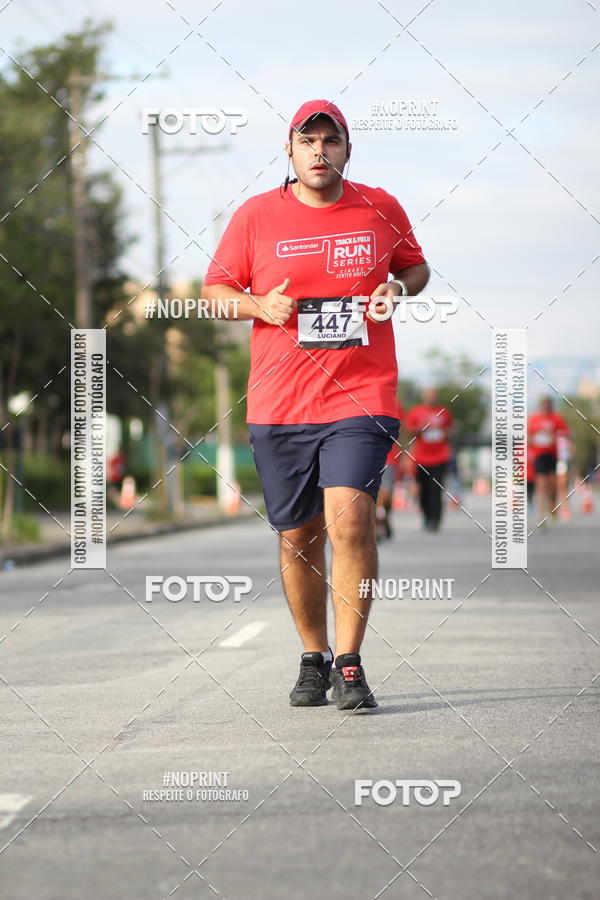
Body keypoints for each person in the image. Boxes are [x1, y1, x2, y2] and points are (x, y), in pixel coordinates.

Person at [203, 99, 429, 710]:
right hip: (279, 402)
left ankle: (350, 662)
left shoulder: (380, 207)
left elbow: (417, 269)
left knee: (350, 520)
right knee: (298, 536)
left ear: (347, 150)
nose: (320, 151)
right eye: (309, 141)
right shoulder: (255, 217)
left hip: (361, 394)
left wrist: (395, 287)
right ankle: (314, 656)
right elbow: (215, 292)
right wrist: (259, 307)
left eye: (331, 141)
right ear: (291, 151)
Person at [405, 388, 453, 531]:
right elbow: (409, 429)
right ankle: (426, 516)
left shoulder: (444, 411)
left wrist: (443, 432)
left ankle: (435, 520)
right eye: (429, 395)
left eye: (434, 395)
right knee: (424, 490)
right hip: (421, 458)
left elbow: (450, 429)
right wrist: (421, 429)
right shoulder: (416, 411)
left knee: (436, 489)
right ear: (424, 396)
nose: (431, 397)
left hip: (440, 457)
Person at [528, 396, 569, 525]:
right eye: (543, 404)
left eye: (548, 404)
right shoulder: (534, 419)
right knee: (541, 484)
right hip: (539, 455)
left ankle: (552, 506)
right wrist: (531, 440)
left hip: (553, 454)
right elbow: (528, 435)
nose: (545, 407)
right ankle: (541, 515)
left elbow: (565, 433)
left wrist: (555, 435)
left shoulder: (556, 418)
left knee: (552, 484)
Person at [375, 400, 405, 540]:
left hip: (390, 457)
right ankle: (377, 524)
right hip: (367, 456)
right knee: (374, 495)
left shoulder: (394, 403)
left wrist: (405, 455)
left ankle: (384, 520)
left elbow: (403, 432)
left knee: (386, 495)